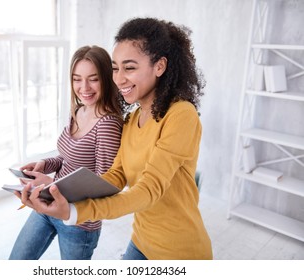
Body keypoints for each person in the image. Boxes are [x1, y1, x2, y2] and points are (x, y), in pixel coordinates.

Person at [18, 17, 213, 260]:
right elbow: (114, 177)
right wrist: (55, 191)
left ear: (160, 66)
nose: (119, 79)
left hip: (179, 250)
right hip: (141, 240)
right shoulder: (131, 121)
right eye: (115, 68)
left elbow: (149, 190)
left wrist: (74, 211)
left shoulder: (181, 114)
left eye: (129, 68)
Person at [9, 45, 125, 260]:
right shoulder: (79, 110)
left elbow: (103, 187)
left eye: (93, 78)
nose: (84, 87)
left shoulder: (107, 124)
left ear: (107, 79)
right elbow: (67, 158)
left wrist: (51, 186)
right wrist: (45, 164)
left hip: (79, 222)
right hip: (47, 206)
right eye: (77, 79)